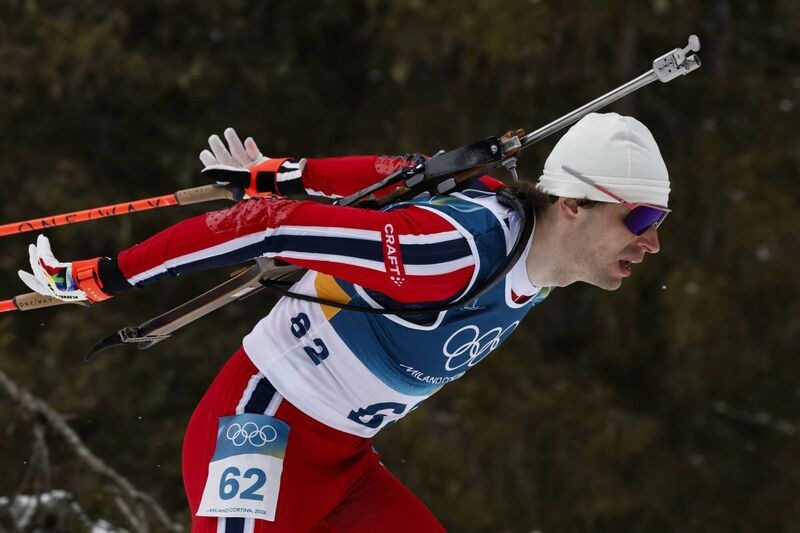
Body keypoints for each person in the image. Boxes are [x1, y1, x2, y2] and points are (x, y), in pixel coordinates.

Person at [18, 112, 670, 532]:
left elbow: (400, 174)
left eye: (658, 224)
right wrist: (105, 275)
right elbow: (269, 229)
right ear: (574, 207)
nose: (652, 243)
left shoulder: (542, 254)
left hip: (344, 468)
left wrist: (282, 174)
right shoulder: (448, 252)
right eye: (638, 220)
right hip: (260, 425)